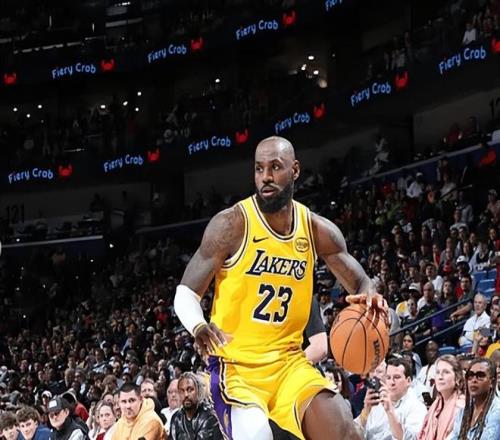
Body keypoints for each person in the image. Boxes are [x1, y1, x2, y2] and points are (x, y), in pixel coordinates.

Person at [173, 136, 386, 439]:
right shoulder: (232, 224)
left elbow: (361, 282)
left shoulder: (315, 229)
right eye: (259, 169)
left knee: (342, 427)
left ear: (295, 170)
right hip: (237, 367)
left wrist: (371, 298)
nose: (266, 177)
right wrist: (198, 325)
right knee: (258, 434)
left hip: (289, 363)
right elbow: (185, 293)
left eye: (275, 167)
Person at [357, 357, 427, 439]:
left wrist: (390, 412)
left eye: (396, 377)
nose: (391, 382)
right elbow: (353, 433)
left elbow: (412, 438)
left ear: (408, 381)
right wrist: (366, 410)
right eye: (388, 378)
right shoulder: (377, 403)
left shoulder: (417, 407)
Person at [450, 358, 500, 439]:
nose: (474, 380)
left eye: (480, 376)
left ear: (492, 382)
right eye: (470, 375)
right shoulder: (463, 412)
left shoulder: (497, 410)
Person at [418, 355, 465, 440]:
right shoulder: (436, 404)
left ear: (457, 378)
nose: (440, 377)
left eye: (446, 372)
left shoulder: (461, 406)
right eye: (438, 372)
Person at [169, 372, 223, 440]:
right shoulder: (176, 418)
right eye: (182, 391)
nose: (186, 395)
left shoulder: (209, 417)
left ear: (198, 391)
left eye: (190, 390)